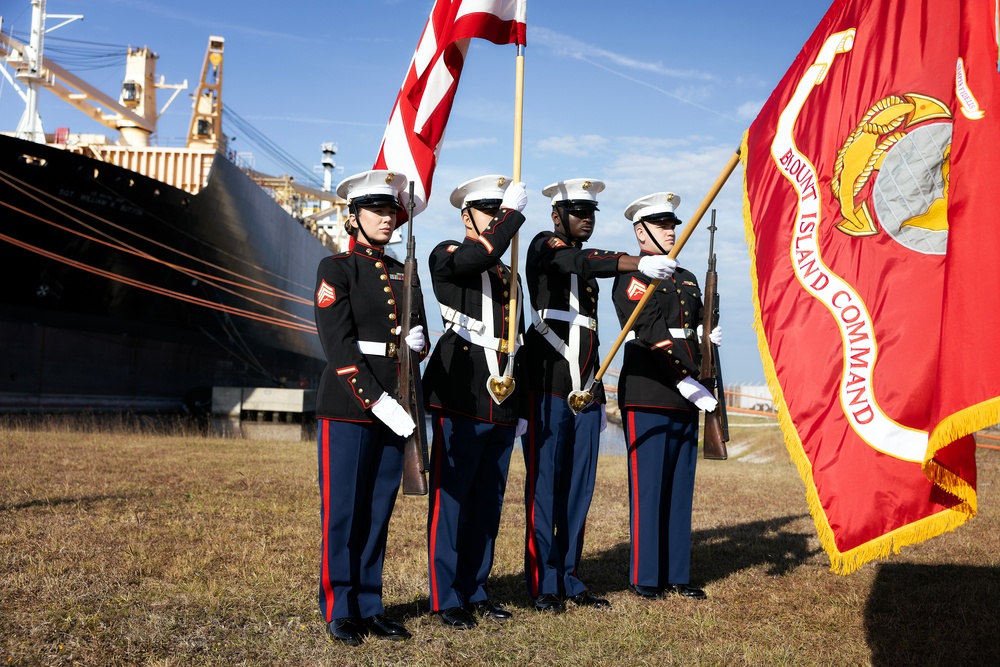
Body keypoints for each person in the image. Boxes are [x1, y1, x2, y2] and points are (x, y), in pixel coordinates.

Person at [522, 178, 677, 612]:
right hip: (548, 385)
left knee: (577, 489)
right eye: (577, 212)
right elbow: (576, 261)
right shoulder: (544, 247)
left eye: (591, 213)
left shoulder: (588, 261)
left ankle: (570, 576)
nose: (586, 219)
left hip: (585, 389)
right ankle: (542, 581)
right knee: (545, 487)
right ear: (557, 215)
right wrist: (635, 263)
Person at [313, 169, 429, 645]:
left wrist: (418, 346)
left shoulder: (405, 271)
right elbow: (338, 346)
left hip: (398, 402)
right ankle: (340, 607)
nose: (388, 219)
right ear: (353, 217)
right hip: (350, 405)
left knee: (379, 509)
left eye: (392, 212)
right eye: (378, 211)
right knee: (344, 510)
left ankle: (369, 602)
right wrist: (376, 400)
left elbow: (416, 332)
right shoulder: (336, 269)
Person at [422, 175, 529, 630]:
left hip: (501, 397)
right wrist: (513, 216)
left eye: (501, 210)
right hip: (461, 394)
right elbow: (475, 255)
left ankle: (476, 587)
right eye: (491, 210)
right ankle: (446, 596)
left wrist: (519, 404)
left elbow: (516, 340)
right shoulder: (447, 254)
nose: (499, 218)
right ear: (467, 216)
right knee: (453, 502)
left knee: (489, 500)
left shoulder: (510, 272)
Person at [611, 191, 721, 601]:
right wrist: (686, 379)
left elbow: (697, 325)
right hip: (651, 389)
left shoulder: (688, 277)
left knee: (679, 487)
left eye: (672, 225)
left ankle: (677, 572)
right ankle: (646, 576)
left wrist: (710, 341)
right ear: (641, 233)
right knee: (649, 488)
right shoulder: (634, 276)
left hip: (687, 393)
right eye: (661, 225)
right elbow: (651, 333)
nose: (671, 231)